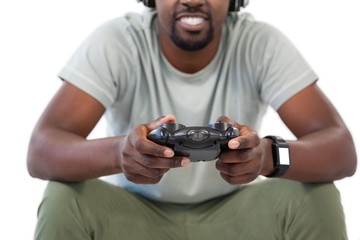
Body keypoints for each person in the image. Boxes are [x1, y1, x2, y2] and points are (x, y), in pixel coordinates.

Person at [27, 0, 357, 239]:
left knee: (316, 195)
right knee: (63, 196)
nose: (193, 1)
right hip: (132, 219)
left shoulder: (259, 42)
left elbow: (341, 151)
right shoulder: (118, 41)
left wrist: (267, 157)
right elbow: (41, 152)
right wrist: (120, 153)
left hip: (239, 218)